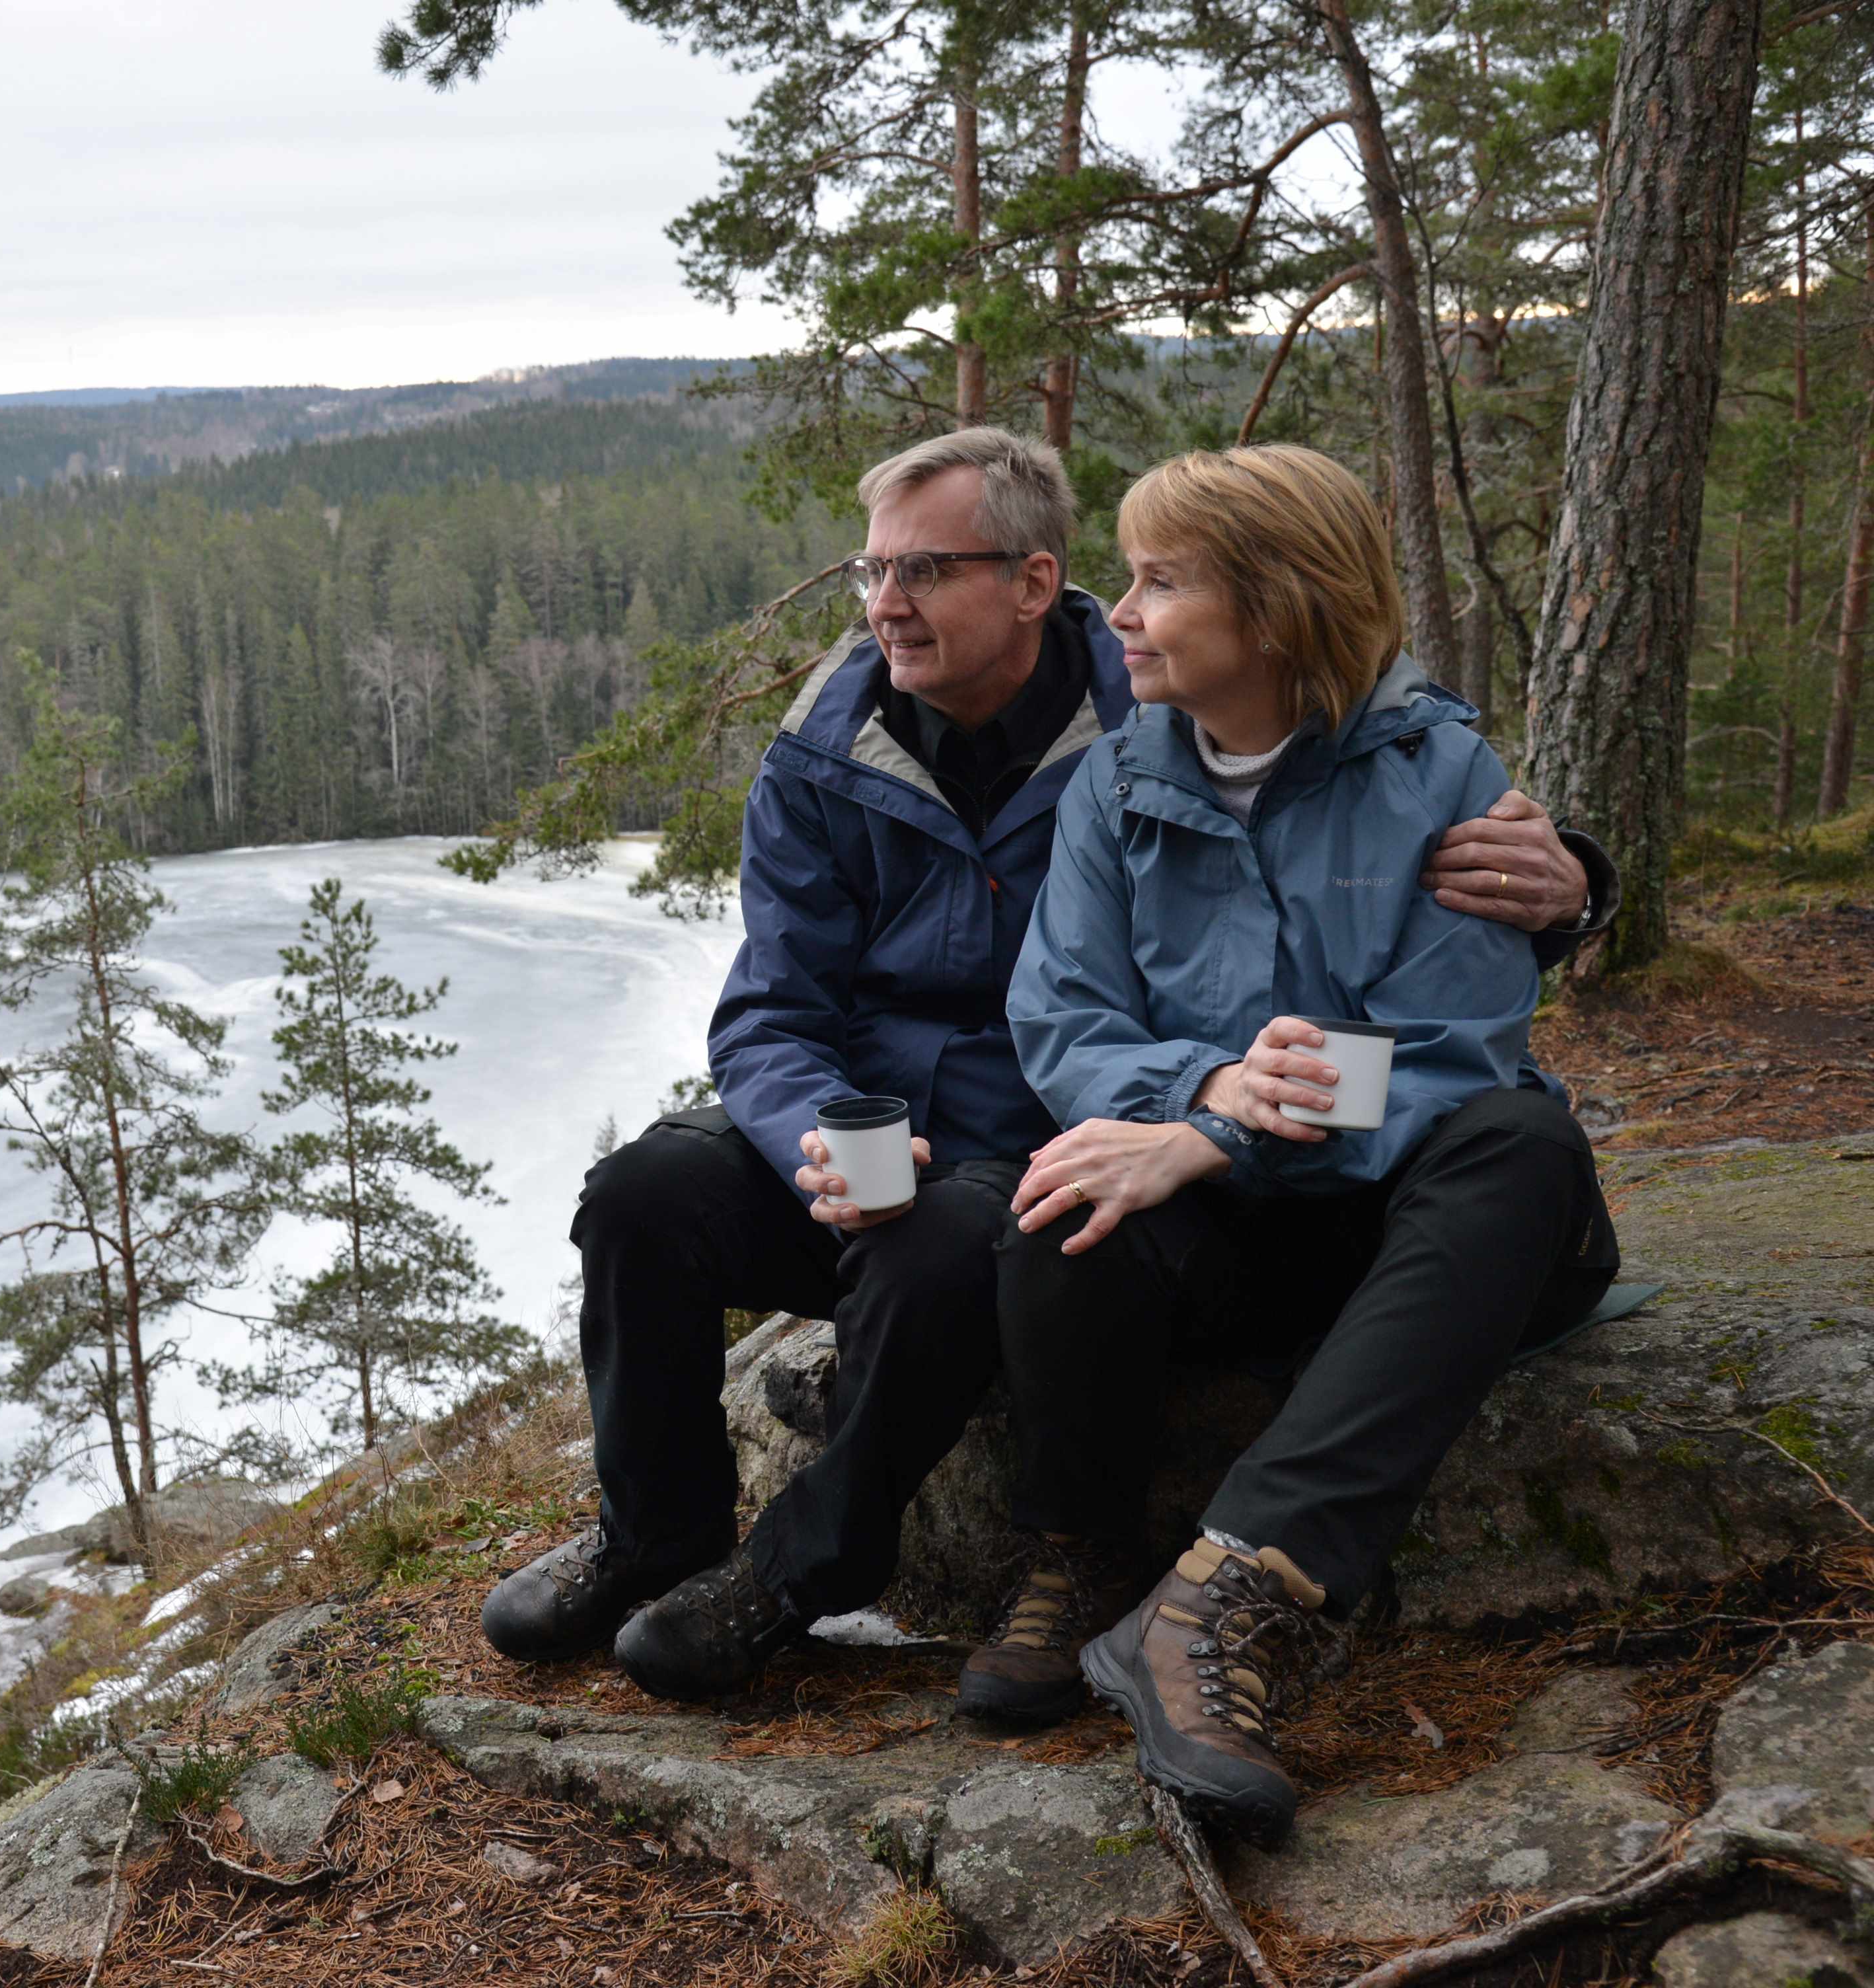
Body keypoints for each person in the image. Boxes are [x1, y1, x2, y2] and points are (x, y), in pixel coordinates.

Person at [477, 428, 1614, 1704]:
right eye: (869, 573)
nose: (882, 605)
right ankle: (657, 1534)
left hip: (1052, 1140)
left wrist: (1567, 886)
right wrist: (814, 1141)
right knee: (641, 1196)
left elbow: (1351, 796)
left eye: (922, 571)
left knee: (986, 1233)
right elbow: (781, 1004)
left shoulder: (1159, 704)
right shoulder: (831, 751)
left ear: (1030, 582)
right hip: (932, 1131)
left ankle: (814, 1564)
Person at [994, 443, 1620, 1839]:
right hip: (1234, 1236)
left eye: (1161, 583)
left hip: (1401, 1230)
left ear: (1276, 609)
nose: (1122, 613)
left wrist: (1223, 1130)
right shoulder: (1113, 787)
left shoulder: (1440, 768)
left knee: (1522, 1144)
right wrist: (1203, 1087)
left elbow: (1454, 1047)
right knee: (1058, 1186)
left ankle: (1232, 1598)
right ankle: (1077, 1557)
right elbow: (1063, 1016)